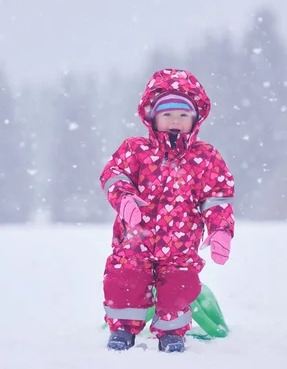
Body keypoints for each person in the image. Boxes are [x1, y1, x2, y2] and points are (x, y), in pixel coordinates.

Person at [100, 68, 235, 352]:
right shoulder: (135, 149)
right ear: (152, 117)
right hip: (135, 241)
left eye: (184, 115)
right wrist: (124, 199)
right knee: (125, 282)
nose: (175, 120)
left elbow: (217, 197)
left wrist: (221, 230)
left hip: (181, 246)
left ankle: (172, 332)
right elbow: (114, 175)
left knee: (178, 287)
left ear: (195, 120)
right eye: (168, 114)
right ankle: (123, 329)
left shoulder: (205, 157)